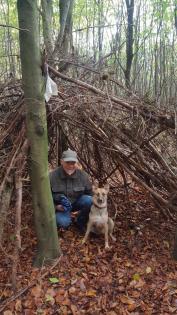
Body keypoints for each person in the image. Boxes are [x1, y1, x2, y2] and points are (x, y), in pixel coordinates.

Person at [50, 149, 92, 231]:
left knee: (90, 200)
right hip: (62, 207)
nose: (70, 165)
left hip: (77, 203)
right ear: (61, 161)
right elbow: (45, 198)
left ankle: (80, 221)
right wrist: (56, 207)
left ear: (76, 163)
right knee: (63, 223)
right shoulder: (51, 176)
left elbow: (90, 194)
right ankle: (64, 220)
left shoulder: (83, 176)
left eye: (73, 163)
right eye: (67, 162)